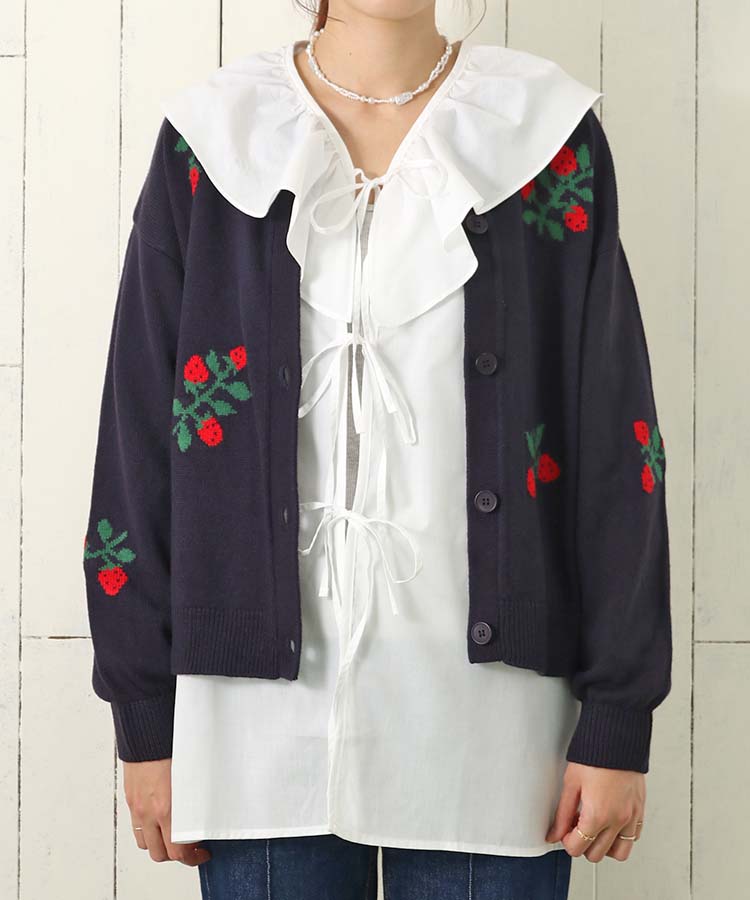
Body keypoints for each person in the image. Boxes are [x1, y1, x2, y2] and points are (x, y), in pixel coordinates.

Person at [81, 1, 672, 898]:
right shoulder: (212, 139)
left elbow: (617, 438)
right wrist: (144, 718)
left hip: (494, 727)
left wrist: (619, 715)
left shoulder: (546, 136)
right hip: (252, 728)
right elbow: (137, 437)